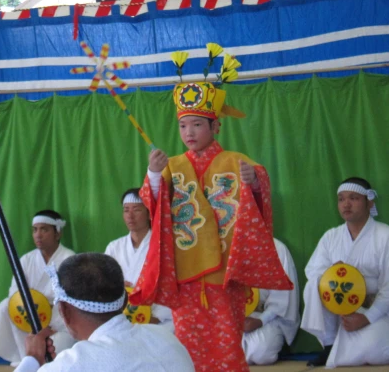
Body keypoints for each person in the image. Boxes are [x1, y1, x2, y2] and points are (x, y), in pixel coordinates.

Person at [131, 47, 292, 372]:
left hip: (225, 273)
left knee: (227, 342)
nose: (188, 133)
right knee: (187, 343)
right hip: (186, 272)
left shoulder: (237, 162)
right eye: (183, 126)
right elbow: (152, 203)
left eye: (197, 125)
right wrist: (152, 172)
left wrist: (256, 181)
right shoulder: (172, 165)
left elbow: (259, 207)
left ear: (215, 126)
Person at [16, 253, 194, 372]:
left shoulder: (72, 364)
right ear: (125, 301)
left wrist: (32, 360)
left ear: (64, 310)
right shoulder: (164, 337)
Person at [300, 177, 389, 368]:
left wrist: (367, 317)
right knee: (314, 283)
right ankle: (330, 343)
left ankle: (349, 344)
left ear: (369, 202)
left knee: (376, 352)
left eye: (353, 198)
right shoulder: (331, 236)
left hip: (376, 310)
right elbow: (313, 270)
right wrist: (331, 273)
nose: (346, 204)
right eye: (341, 199)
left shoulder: (384, 235)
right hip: (337, 311)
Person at [0, 210, 76, 364]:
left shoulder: (69, 259)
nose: (38, 235)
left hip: (58, 321)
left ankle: (36, 359)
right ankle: (25, 356)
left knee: (56, 356)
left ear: (57, 234)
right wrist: (33, 308)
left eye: (44, 229)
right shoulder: (27, 260)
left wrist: (49, 314)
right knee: (5, 306)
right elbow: (15, 293)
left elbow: (72, 298)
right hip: (30, 318)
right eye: (35, 230)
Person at [104, 189, 174, 332]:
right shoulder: (114, 246)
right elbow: (104, 282)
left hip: (158, 317)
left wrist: (155, 317)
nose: (130, 216)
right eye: (126, 210)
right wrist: (116, 285)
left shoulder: (163, 246)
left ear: (149, 212)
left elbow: (171, 285)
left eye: (136, 210)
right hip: (121, 318)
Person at [242, 238, 300, 365]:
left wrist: (260, 320)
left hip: (266, 319)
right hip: (234, 319)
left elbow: (281, 299)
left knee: (261, 351)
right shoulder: (225, 245)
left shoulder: (276, 248)